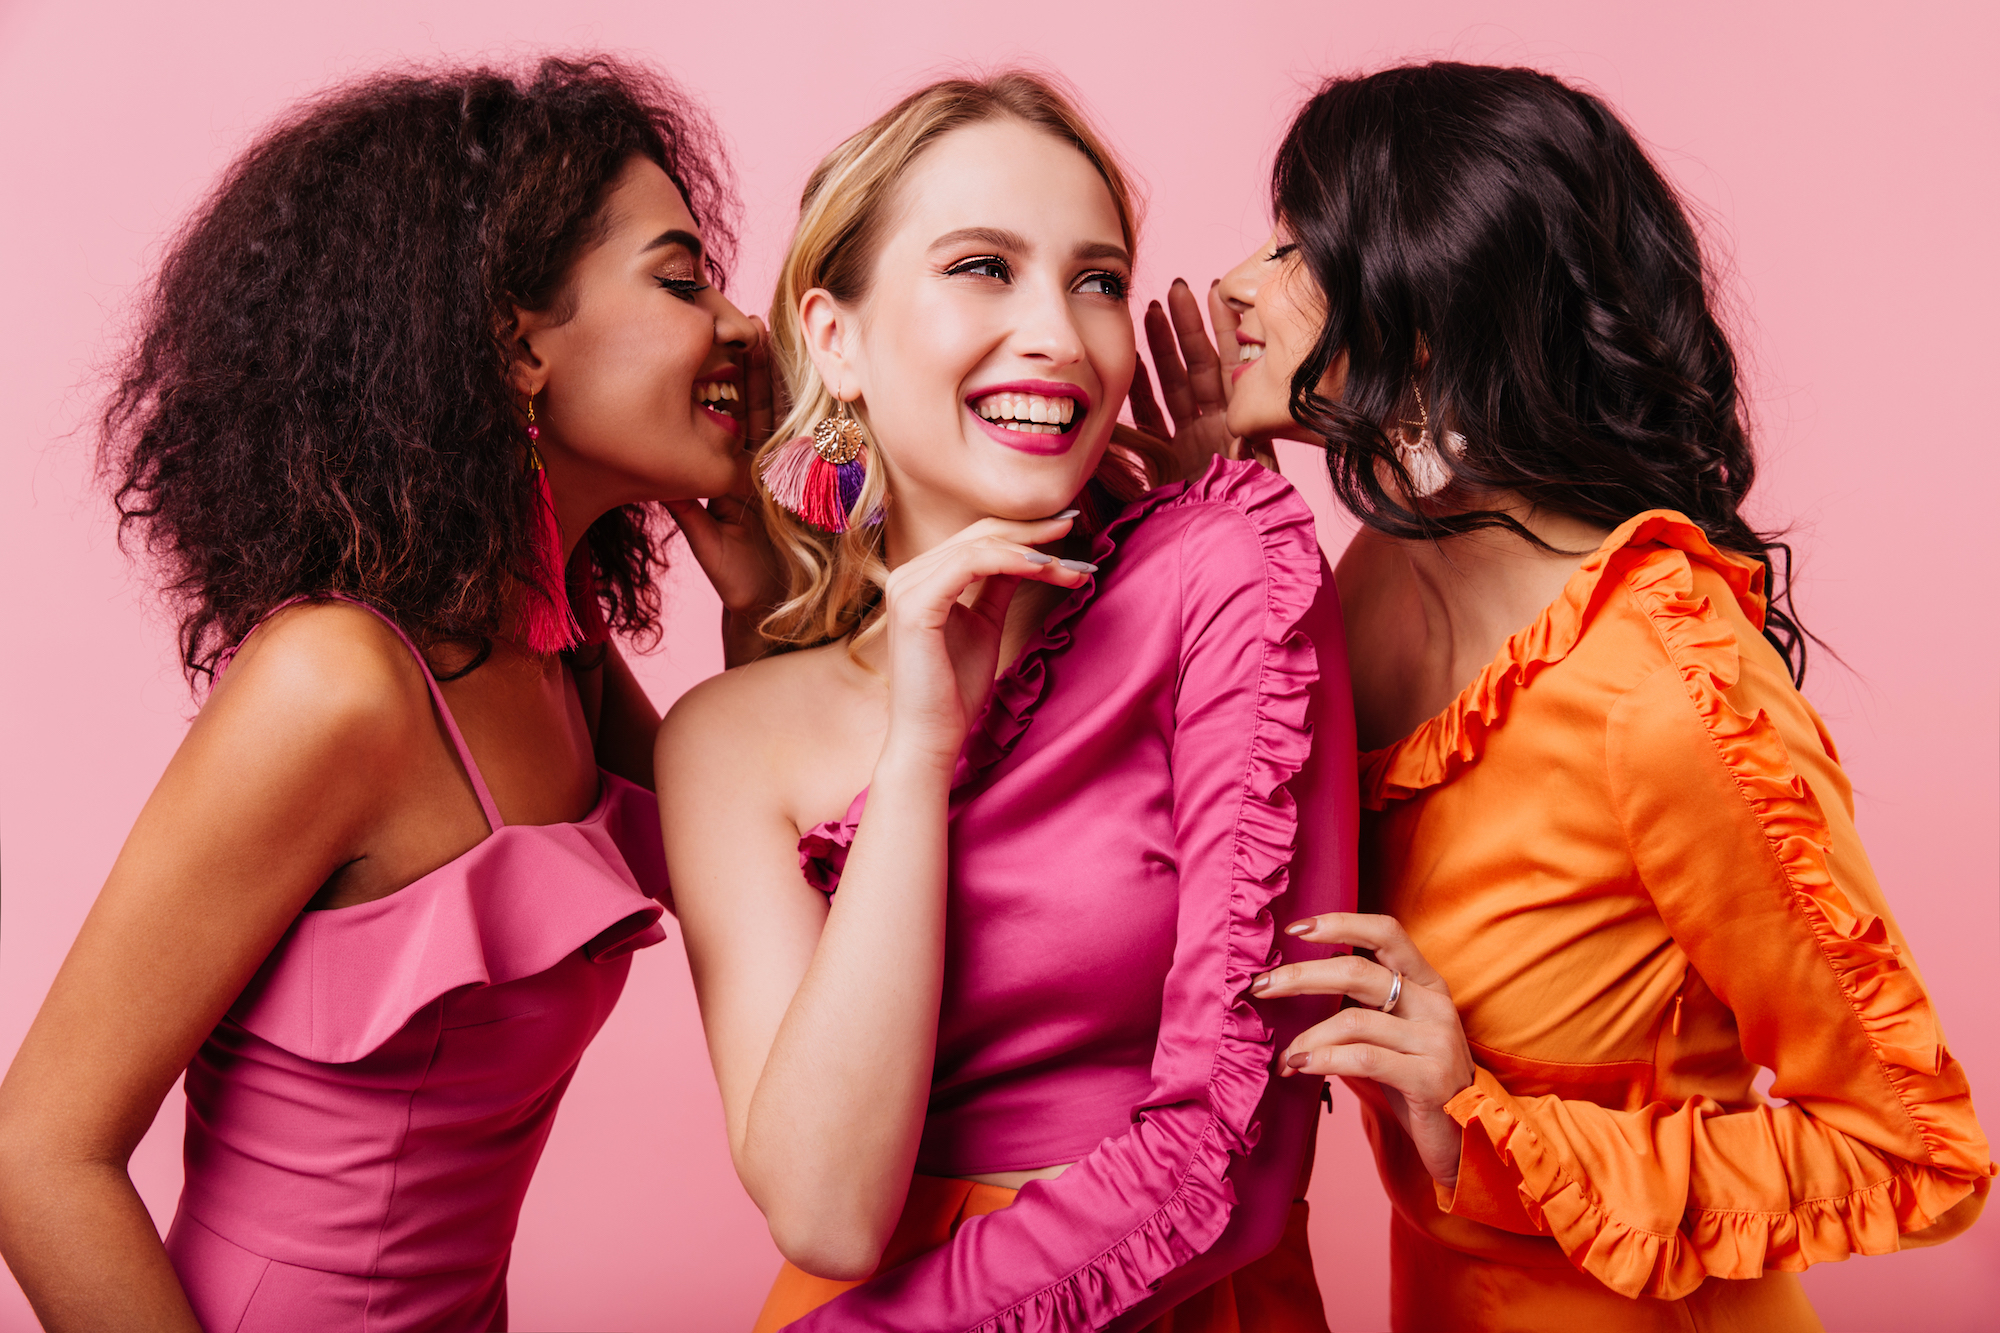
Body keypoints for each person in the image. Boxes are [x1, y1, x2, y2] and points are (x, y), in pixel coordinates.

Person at [1144, 60, 1993, 1331]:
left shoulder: (1664, 690)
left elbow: (1913, 1150)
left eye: (1295, 250)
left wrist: (1476, 1126)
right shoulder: (1362, 580)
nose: (1231, 286)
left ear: (1431, 310)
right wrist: (1214, 530)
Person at [0, 56, 776, 1332]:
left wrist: (755, 597)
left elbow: (764, 891)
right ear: (517, 342)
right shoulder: (339, 682)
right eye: (682, 278)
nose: (738, 329)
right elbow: (41, 1154)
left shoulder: (559, 651)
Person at [656, 72, 1355, 1330]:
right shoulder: (726, 740)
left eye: (1094, 280)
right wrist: (918, 754)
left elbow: (1245, 1148)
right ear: (834, 336)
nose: (1057, 333)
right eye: (983, 266)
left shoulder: (1221, 571)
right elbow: (825, 1210)